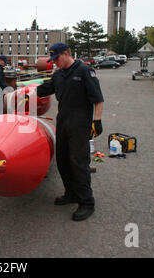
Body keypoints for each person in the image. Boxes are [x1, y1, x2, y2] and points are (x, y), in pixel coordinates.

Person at [27, 43, 104, 222]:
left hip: (80, 123)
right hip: (63, 121)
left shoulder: (84, 71)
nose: (55, 63)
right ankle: (71, 193)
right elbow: (46, 88)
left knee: (78, 162)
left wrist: (97, 121)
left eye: (57, 59)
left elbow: (98, 99)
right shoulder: (59, 74)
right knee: (62, 160)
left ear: (66, 54)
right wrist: (28, 92)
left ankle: (87, 202)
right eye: (53, 61)